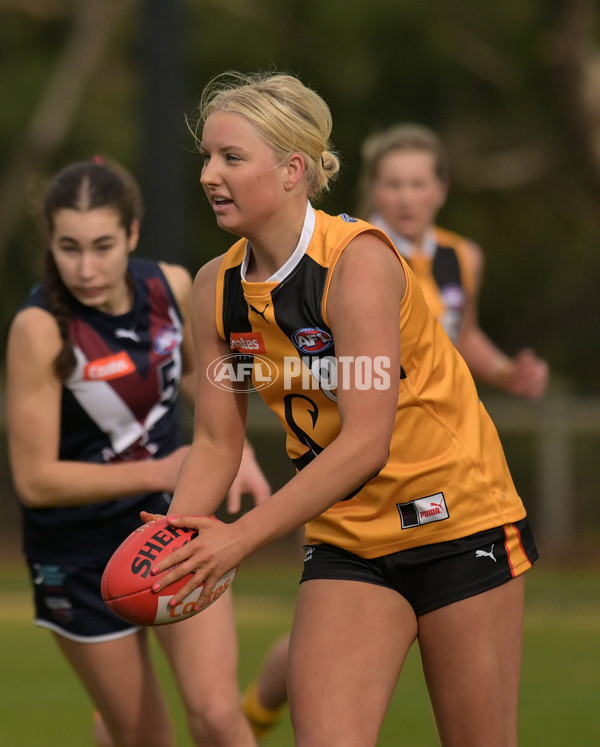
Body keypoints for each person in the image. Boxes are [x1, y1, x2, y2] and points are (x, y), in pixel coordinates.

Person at [147, 71, 539, 747]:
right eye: (207, 157)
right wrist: (179, 544)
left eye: (231, 158)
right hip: (349, 538)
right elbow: (216, 442)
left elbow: (365, 443)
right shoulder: (214, 288)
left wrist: (238, 539)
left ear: (293, 168)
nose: (210, 174)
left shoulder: (357, 263)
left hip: (459, 521)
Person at [241, 122, 551, 738]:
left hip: (451, 503)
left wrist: (503, 371)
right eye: (393, 183)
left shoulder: (460, 258)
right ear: (373, 187)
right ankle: (258, 702)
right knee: (316, 656)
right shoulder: (353, 255)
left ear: (440, 190)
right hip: (353, 514)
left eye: (418, 183)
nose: (406, 195)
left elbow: (458, 339)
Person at [5, 157, 269, 747]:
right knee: (145, 737)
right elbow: (35, 480)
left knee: (218, 715)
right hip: (78, 555)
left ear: (132, 233)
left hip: (169, 529)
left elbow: (206, 381)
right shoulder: (40, 328)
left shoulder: (171, 286)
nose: (87, 267)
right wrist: (161, 466)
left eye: (103, 245)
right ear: (50, 242)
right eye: (69, 248)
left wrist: (238, 446)